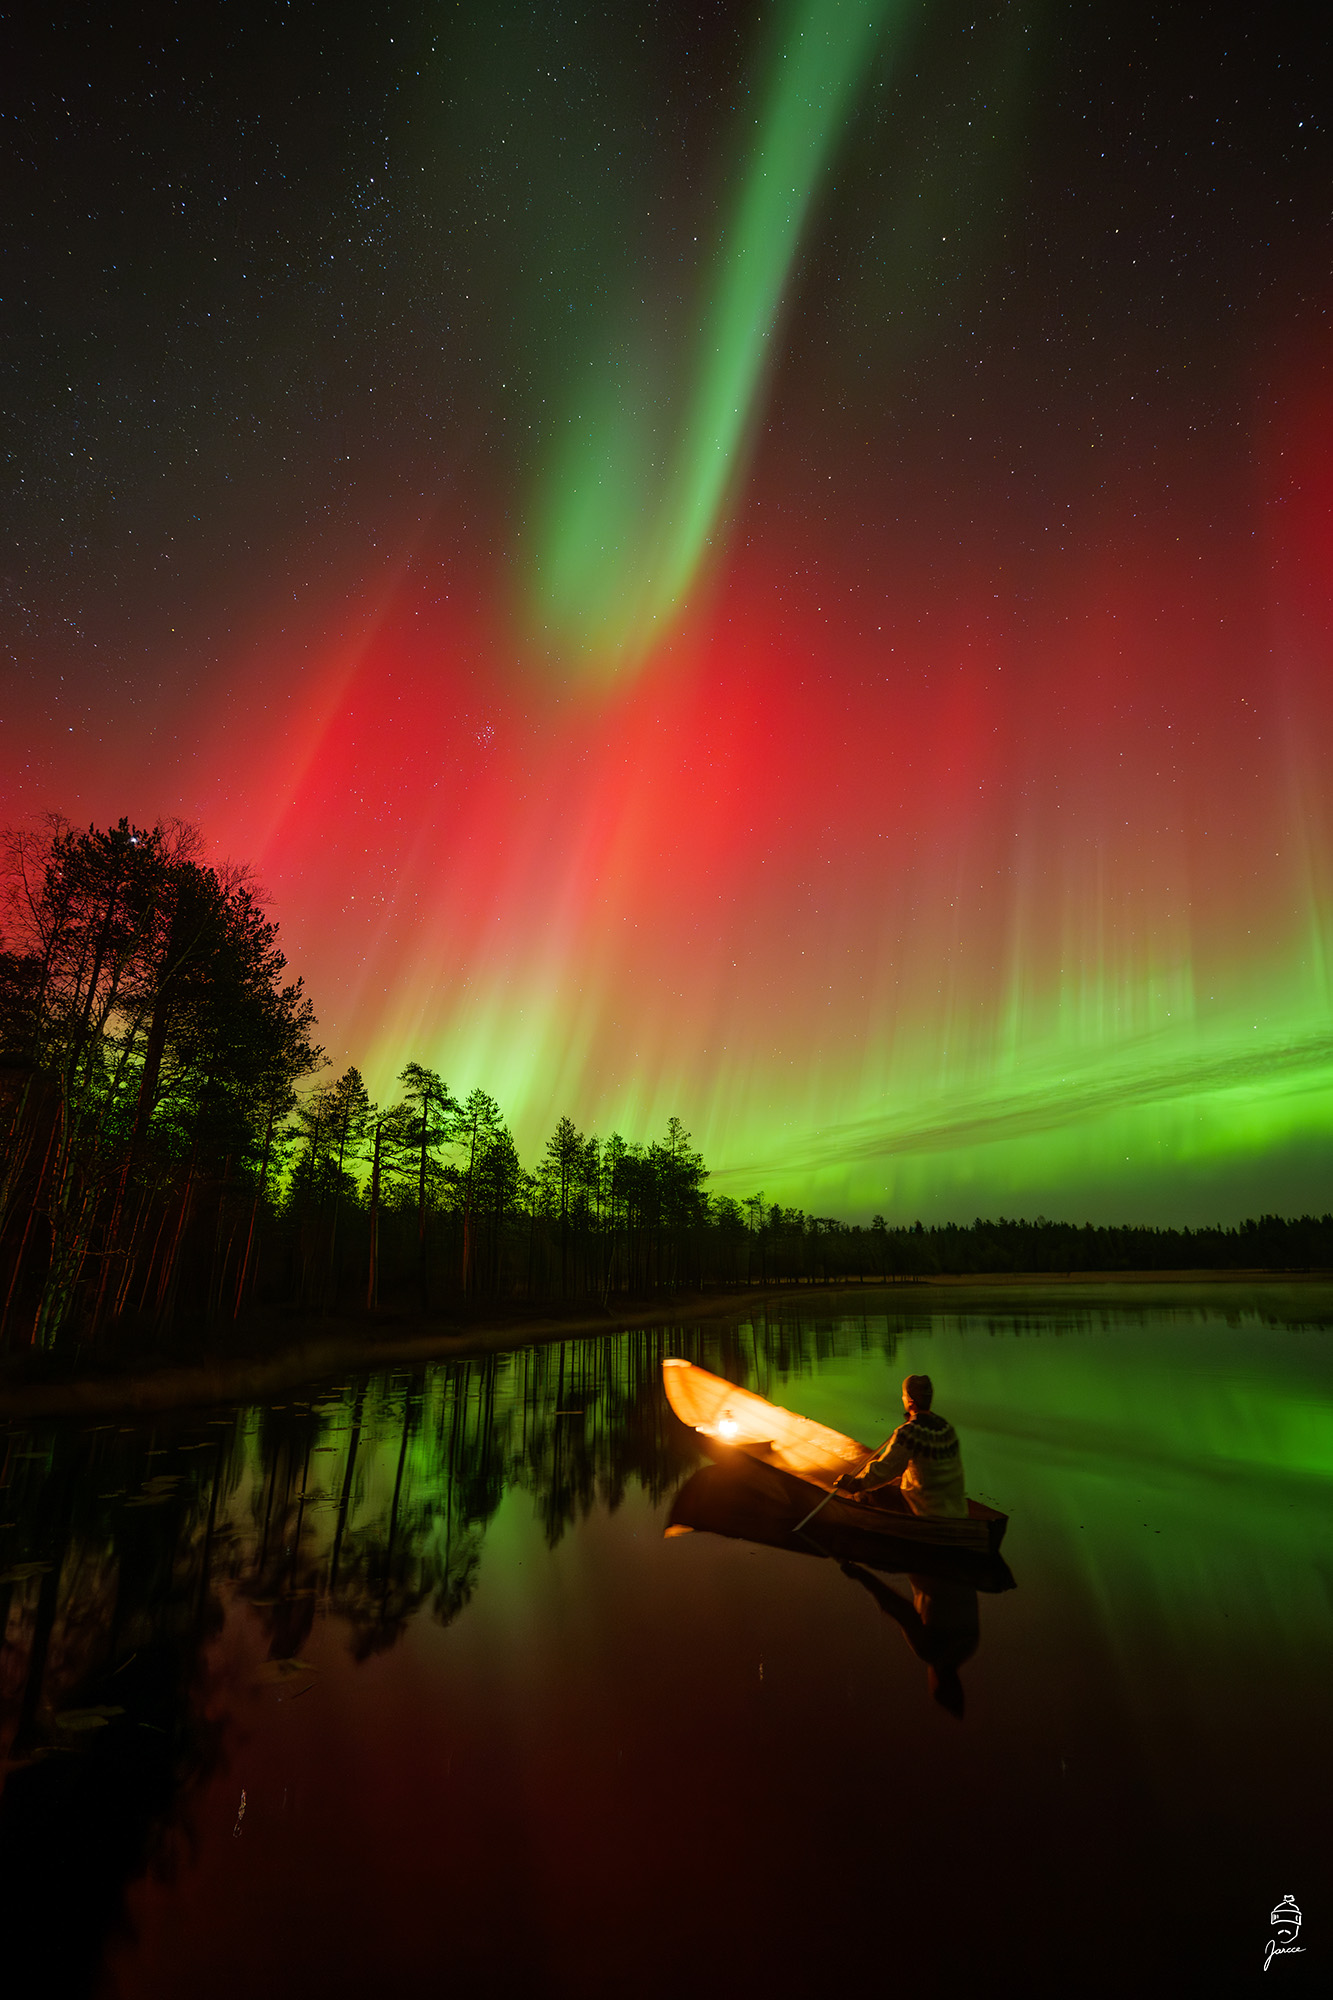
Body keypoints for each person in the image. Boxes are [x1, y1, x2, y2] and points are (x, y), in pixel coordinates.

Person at [846, 1373, 967, 1519]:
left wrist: (856, 1484)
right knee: (899, 1480)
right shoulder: (947, 1428)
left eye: (903, 1395)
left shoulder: (909, 1433)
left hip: (927, 1512)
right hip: (957, 1511)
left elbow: (885, 1470)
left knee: (866, 1494)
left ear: (910, 1401)